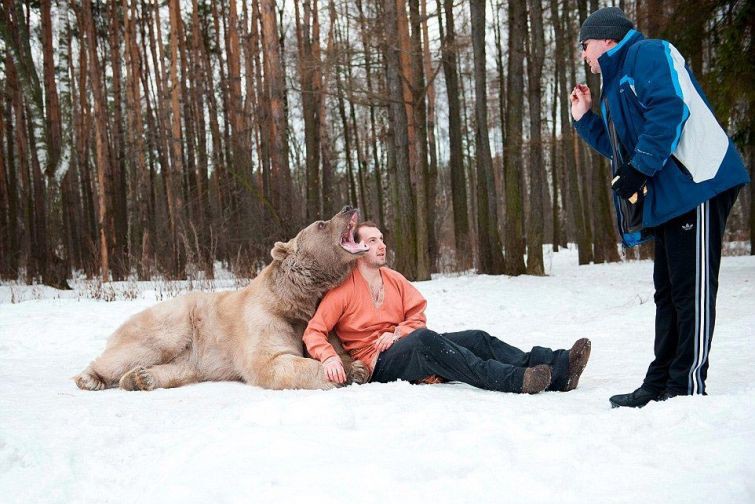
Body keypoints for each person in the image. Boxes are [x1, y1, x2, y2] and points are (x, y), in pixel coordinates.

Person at [570, 8, 749, 408]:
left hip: (697, 182)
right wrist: (585, 120)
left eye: (585, 45)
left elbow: (670, 109)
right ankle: (660, 381)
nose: (584, 55)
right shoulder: (615, 85)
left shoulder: (648, 54)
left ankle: (685, 383)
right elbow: (621, 152)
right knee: (667, 292)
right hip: (668, 195)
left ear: (608, 40)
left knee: (691, 289)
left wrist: (639, 169)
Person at [303, 221, 591, 394]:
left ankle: (560, 367)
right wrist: (329, 358)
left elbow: (417, 315)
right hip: (377, 364)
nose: (382, 245)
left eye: (382, 239)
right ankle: (515, 380)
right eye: (372, 241)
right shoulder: (341, 290)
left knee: (477, 338)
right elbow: (314, 333)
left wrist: (399, 332)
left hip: (406, 344)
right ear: (357, 249)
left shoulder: (395, 280)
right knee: (426, 341)